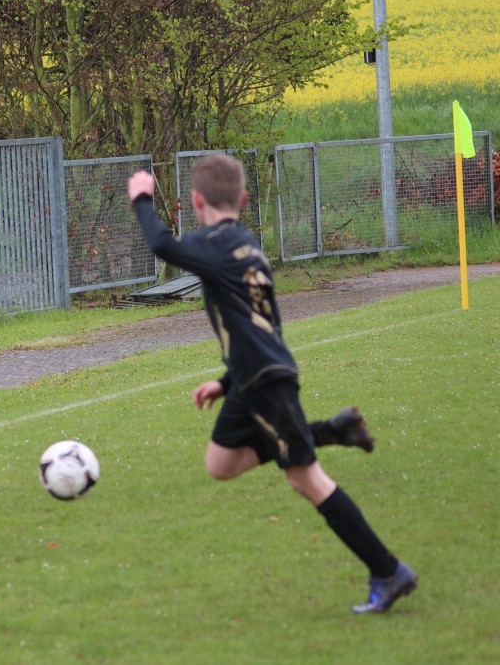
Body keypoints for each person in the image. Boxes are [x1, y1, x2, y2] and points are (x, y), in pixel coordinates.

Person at [127, 154, 417, 614]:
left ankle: (387, 570)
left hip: (264, 380)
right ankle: (326, 432)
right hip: (254, 375)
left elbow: (162, 245)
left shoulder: (212, 243)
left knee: (306, 479)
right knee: (220, 463)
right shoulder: (248, 246)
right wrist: (226, 382)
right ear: (242, 200)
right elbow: (262, 324)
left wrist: (142, 197)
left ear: (196, 201)